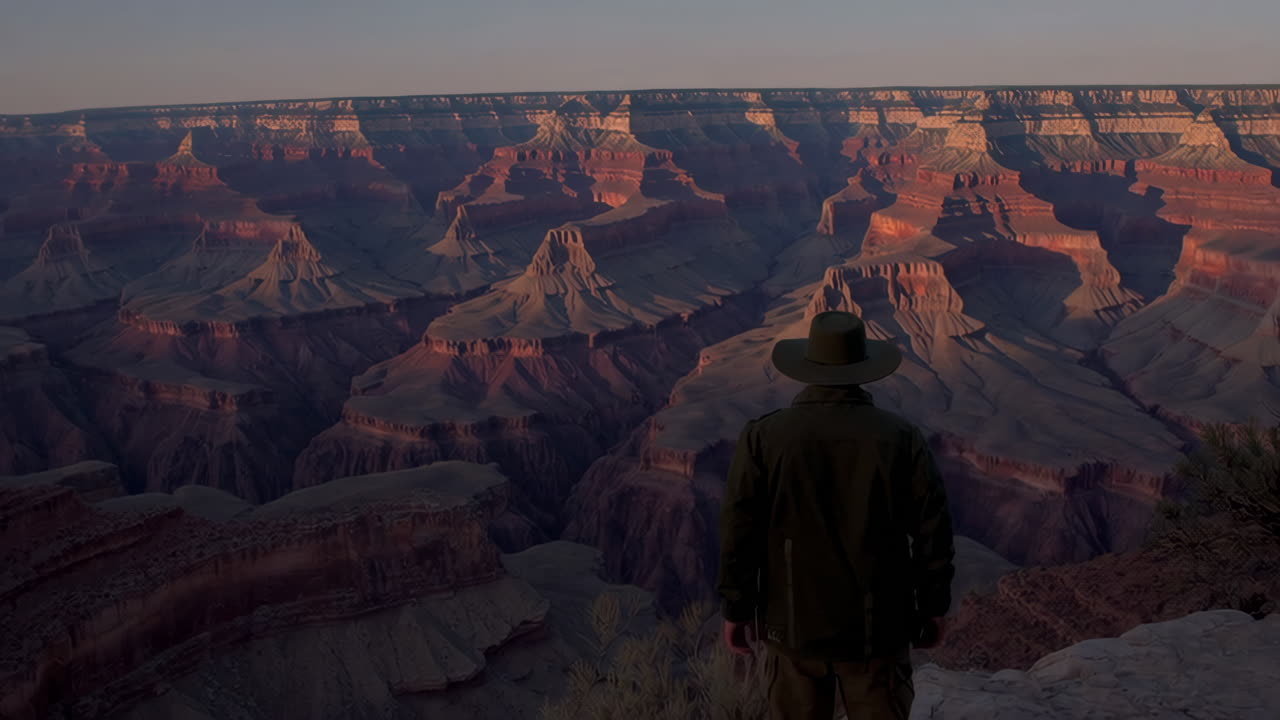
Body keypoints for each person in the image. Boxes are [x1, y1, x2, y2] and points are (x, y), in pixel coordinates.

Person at [716, 310, 956, 720]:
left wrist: (736, 609)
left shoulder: (764, 437)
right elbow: (933, 532)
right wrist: (933, 607)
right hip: (879, 634)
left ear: (808, 366)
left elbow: (739, 531)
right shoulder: (900, 438)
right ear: (862, 368)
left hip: (792, 632)